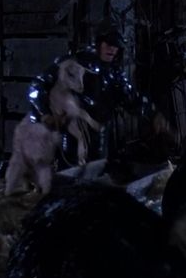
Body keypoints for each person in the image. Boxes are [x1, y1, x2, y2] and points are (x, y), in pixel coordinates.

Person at [27, 17, 163, 168]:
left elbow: (131, 98)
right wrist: (45, 114)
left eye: (116, 45)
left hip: (100, 138)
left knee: (95, 173)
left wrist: (153, 114)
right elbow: (37, 86)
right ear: (98, 42)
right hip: (71, 136)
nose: (112, 49)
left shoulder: (114, 74)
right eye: (108, 43)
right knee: (68, 175)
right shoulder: (73, 63)